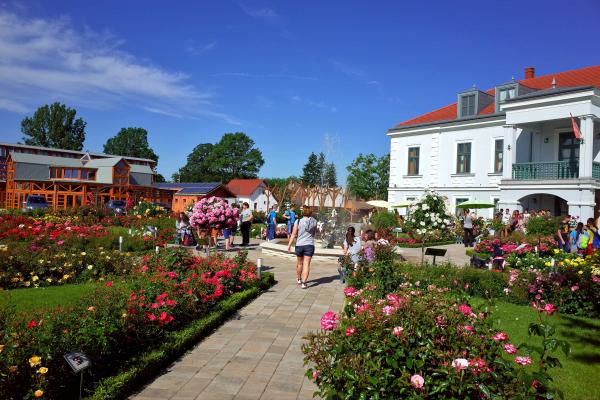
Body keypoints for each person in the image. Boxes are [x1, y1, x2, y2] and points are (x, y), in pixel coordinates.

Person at [287, 206, 317, 289]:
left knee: (300, 263)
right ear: (310, 212)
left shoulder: (298, 221)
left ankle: (299, 279)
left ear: (303, 212)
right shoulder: (314, 221)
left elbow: (293, 234)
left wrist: (289, 245)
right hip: (309, 245)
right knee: (306, 264)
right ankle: (304, 283)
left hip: (299, 245)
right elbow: (315, 234)